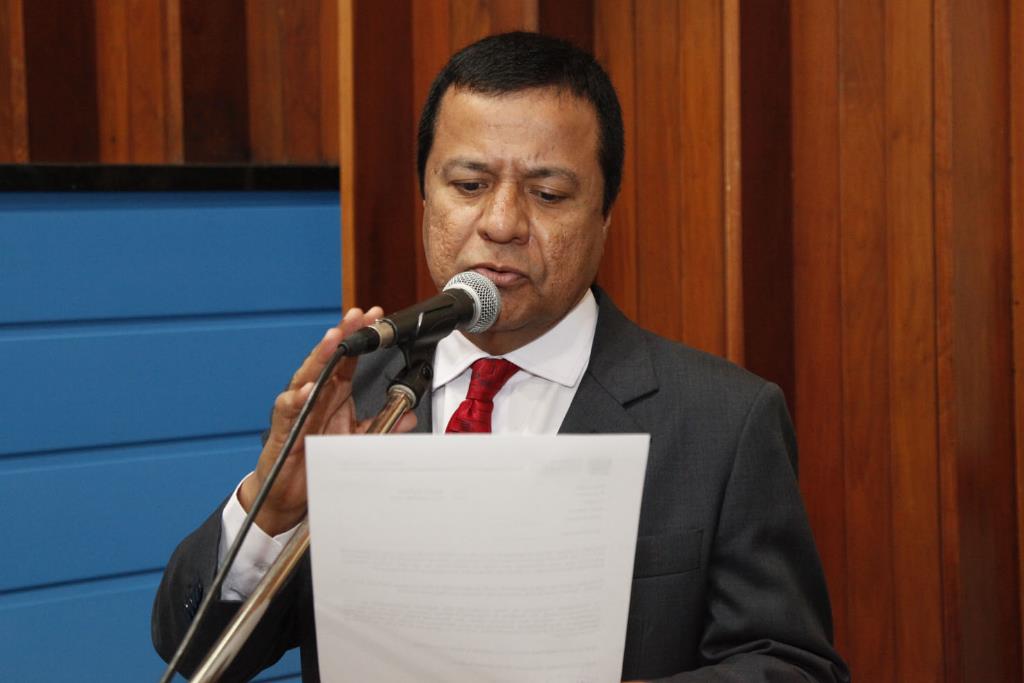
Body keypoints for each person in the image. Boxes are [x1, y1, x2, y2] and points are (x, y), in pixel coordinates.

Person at [153, 32, 850, 682]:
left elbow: (791, 665)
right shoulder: (357, 393)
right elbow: (196, 649)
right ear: (424, 195)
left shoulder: (723, 421)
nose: (502, 223)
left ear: (605, 212)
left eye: (547, 193)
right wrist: (272, 509)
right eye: (469, 185)